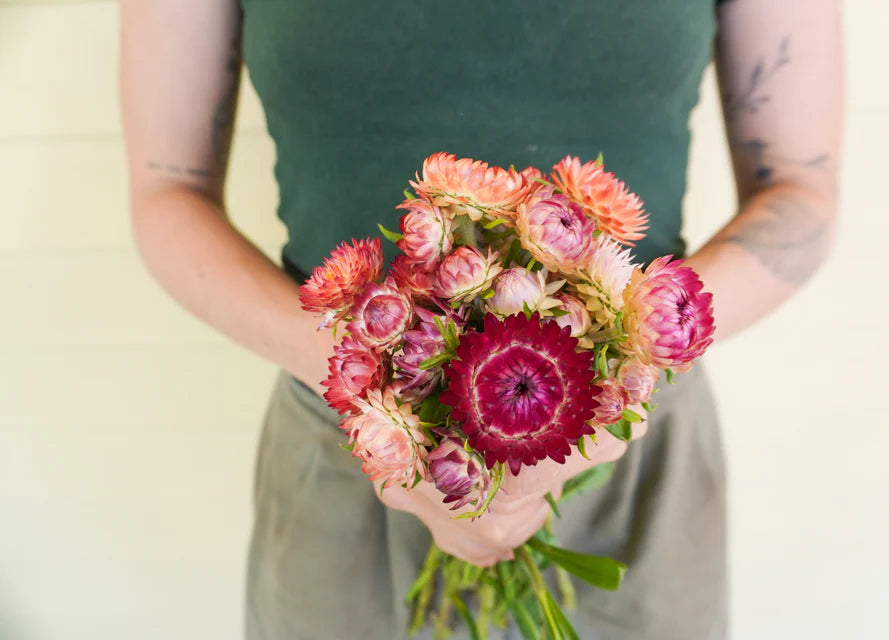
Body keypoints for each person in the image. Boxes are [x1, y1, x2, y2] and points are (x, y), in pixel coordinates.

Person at [119, 1, 841, 638]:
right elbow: (167, 191)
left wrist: (620, 372)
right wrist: (362, 377)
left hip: (631, 452)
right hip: (348, 446)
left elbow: (799, 190)